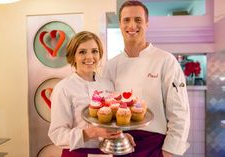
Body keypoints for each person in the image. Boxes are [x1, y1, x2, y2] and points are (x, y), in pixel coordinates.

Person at [102, 1, 190, 157]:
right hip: (122, 143)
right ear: (120, 24)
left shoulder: (165, 60)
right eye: (126, 20)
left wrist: (169, 150)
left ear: (147, 23)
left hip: (155, 145)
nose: (132, 25)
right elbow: (107, 109)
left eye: (138, 20)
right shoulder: (111, 66)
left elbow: (179, 111)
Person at [48, 31, 130, 157]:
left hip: (107, 152)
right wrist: (91, 133)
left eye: (94, 51)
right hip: (77, 153)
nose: (90, 57)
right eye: (82, 52)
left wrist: (120, 135)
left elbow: (112, 121)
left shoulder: (108, 84)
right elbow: (57, 134)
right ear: (73, 56)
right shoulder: (63, 88)